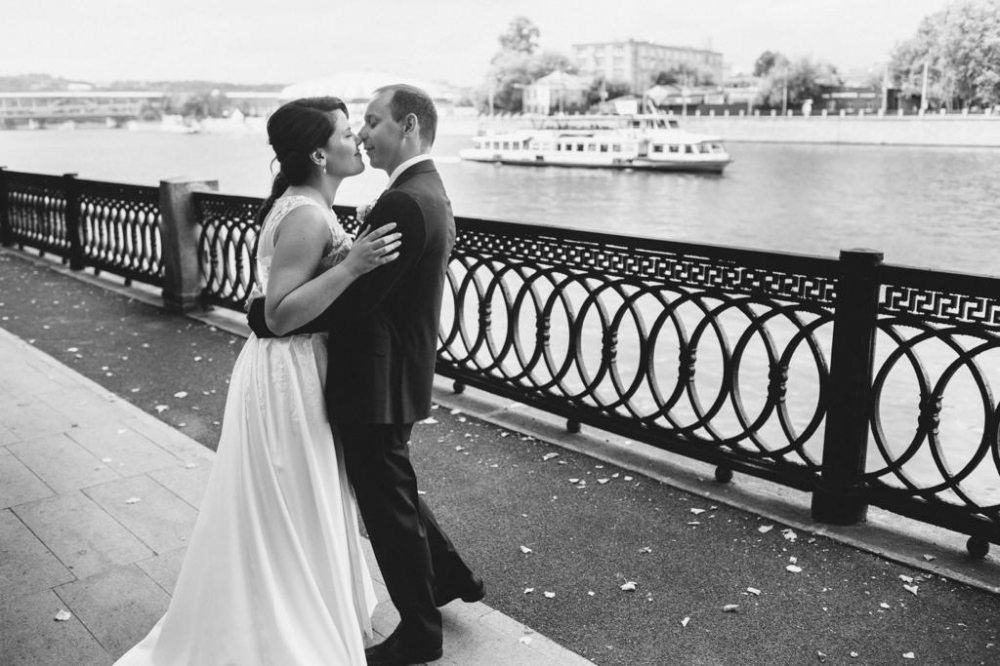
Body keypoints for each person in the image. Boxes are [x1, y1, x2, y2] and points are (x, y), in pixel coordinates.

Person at [114, 97, 402, 665]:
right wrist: (353, 264)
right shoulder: (306, 215)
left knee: (293, 500)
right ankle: (283, 627)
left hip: (296, 368)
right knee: (291, 499)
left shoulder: (309, 205)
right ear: (319, 154)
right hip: (289, 374)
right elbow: (279, 314)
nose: (358, 142)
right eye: (348, 133)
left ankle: (295, 611)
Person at [248, 84, 484, 666]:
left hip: (376, 378)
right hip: (393, 370)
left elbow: (357, 302)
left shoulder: (404, 201)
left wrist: (266, 316)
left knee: (387, 506)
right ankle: (449, 578)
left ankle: (421, 632)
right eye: (357, 126)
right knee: (390, 491)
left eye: (373, 122)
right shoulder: (423, 191)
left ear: (408, 126)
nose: (362, 134)